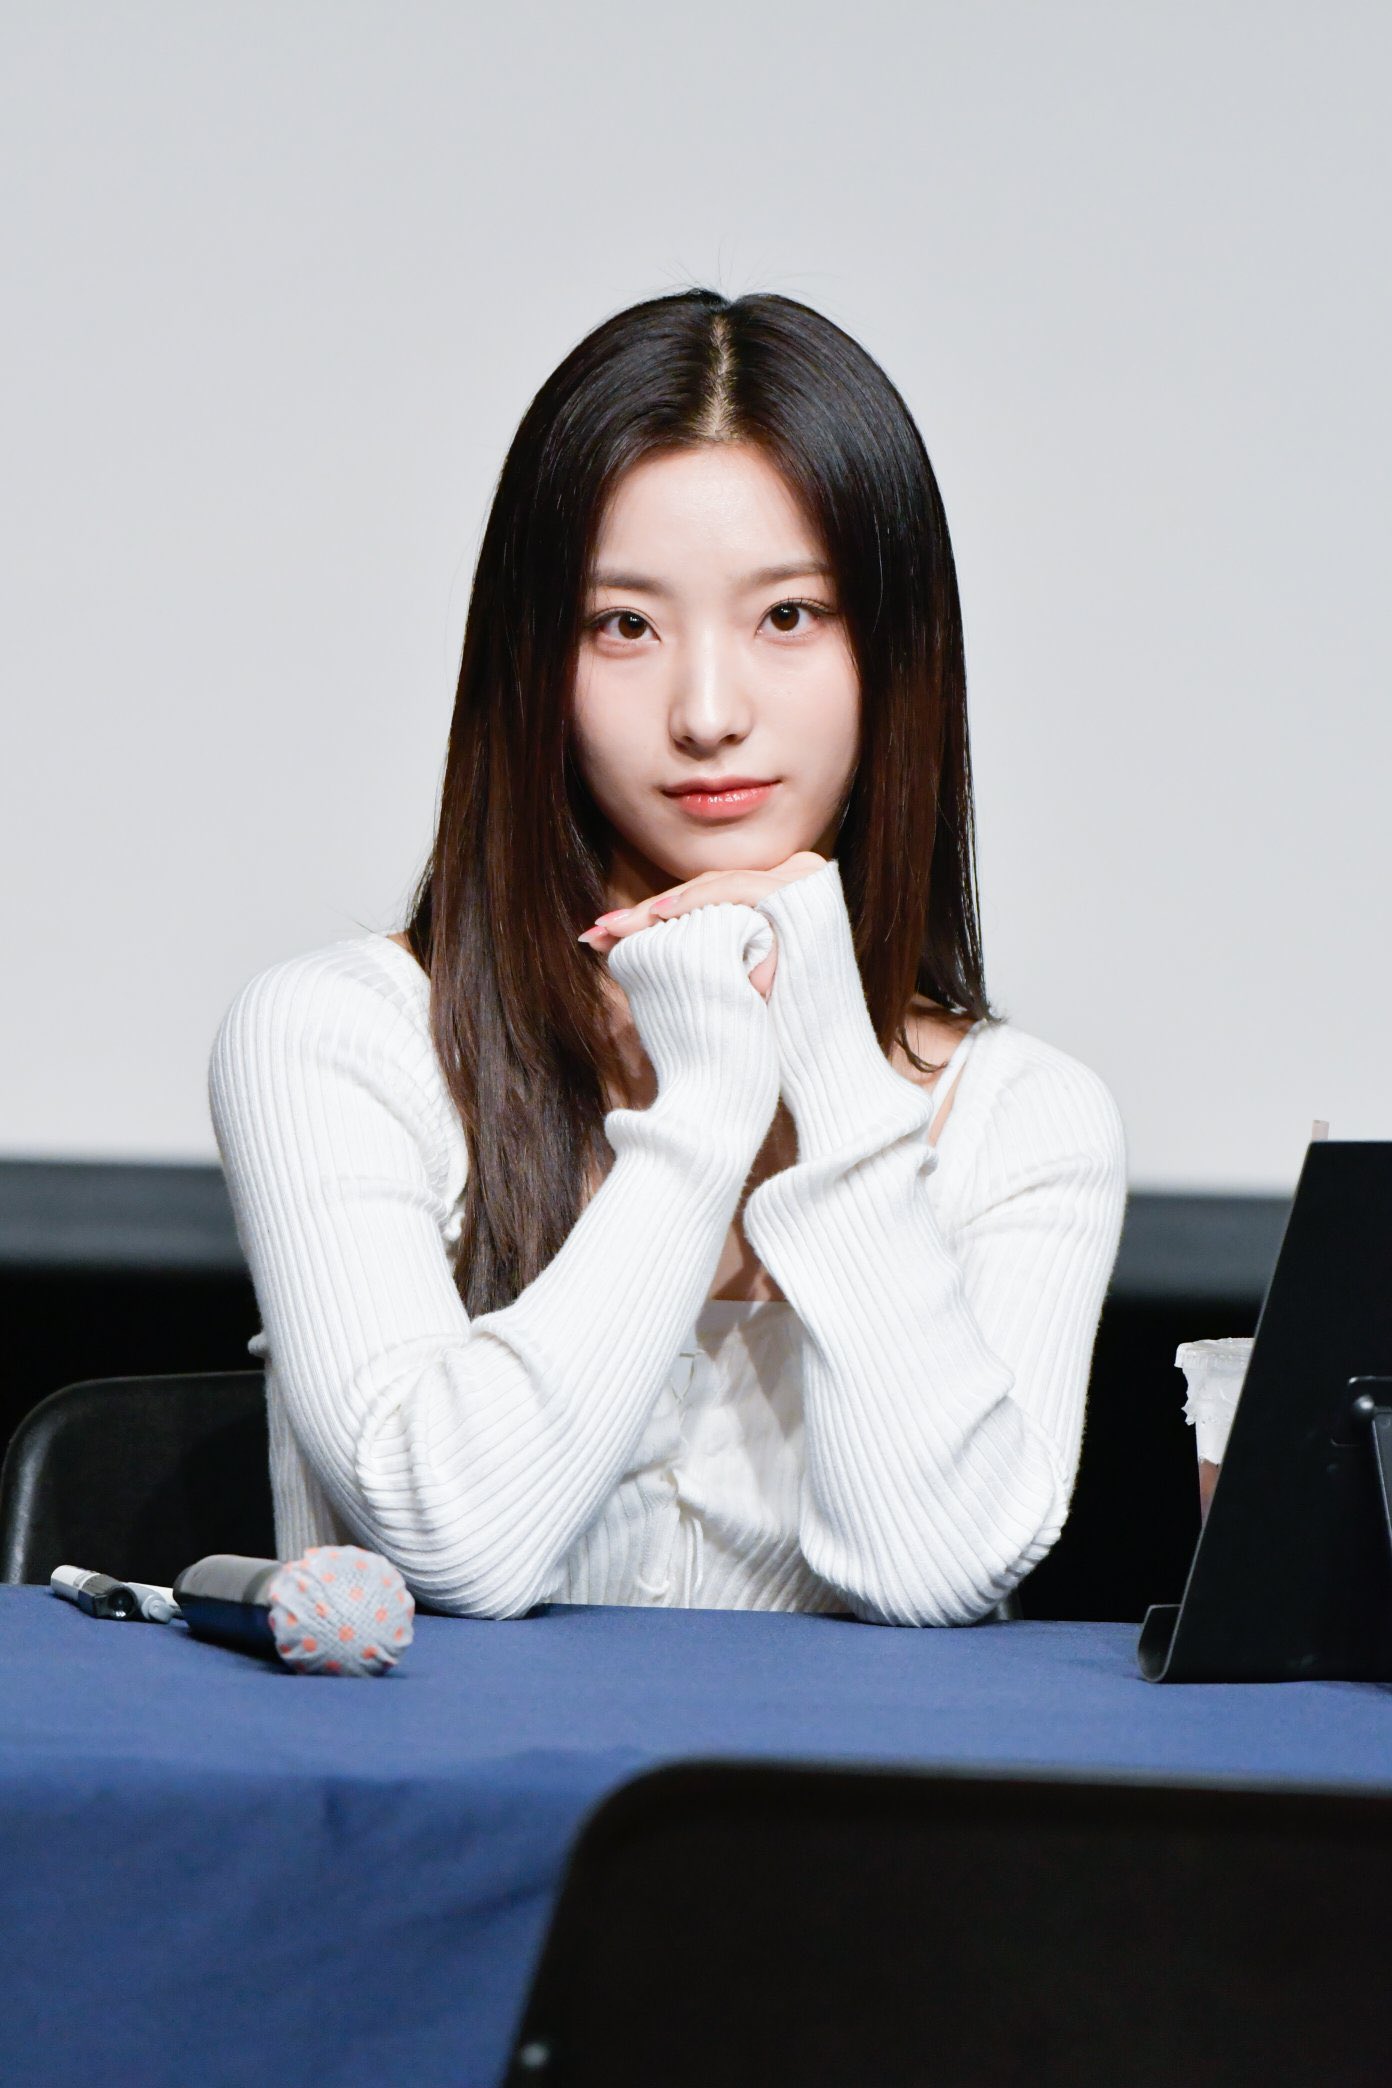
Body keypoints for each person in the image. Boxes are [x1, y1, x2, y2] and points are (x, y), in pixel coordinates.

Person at [209, 287, 1128, 1627]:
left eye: (790, 616)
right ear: (534, 663)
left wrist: (825, 1063)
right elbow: (457, 1545)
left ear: (898, 655)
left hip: (839, 1787)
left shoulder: (1028, 1121)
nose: (707, 713)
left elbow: (933, 1576)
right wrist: (704, 1110)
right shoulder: (339, 1039)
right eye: (624, 626)